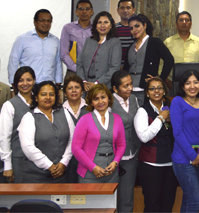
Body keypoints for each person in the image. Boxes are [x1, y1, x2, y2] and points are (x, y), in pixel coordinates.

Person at [134, 77, 177, 213]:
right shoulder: (143, 111)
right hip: (150, 165)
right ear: (147, 93)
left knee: (168, 203)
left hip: (170, 163)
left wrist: (172, 120)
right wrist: (160, 118)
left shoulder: (170, 108)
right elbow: (144, 137)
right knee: (153, 205)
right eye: (152, 89)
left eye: (159, 88)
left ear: (164, 91)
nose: (156, 91)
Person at [170, 70, 199, 213]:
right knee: (194, 202)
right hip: (183, 158)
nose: (192, 86)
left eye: (195, 82)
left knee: (188, 199)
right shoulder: (177, 102)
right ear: (182, 86)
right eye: (188, 83)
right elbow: (178, 132)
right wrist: (192, 156)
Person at [18, 81, 75, 183]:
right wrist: (49, 166)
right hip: (36, 178)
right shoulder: (29, 117)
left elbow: (73, 139)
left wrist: (63, 162)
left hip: (62, 175)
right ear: (36, 97)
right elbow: (28, 148)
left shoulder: (64, 112)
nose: (48, 97)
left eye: (51, 94)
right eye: (43, 94)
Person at [71, 84, 126, 184]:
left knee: (110, 200)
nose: (100, 102)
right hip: (89, 174)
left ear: (109, 99)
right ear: (91, 102)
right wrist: (93, 167)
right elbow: (75, 148)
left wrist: (115, 162)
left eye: (103, 97)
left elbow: (122, 144)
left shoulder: (117, 119)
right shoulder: (84, 120)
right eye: (96, 99)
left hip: (111, 174)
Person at [0, 66, 36, 183]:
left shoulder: (40, 101)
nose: (25, 83)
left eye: (28, 80)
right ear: (15, 83)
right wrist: (7, 165)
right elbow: (4, 137)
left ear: (34, 81)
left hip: (38, 160)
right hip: (18, 160)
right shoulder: (9, 105)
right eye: (20, 80)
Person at [124, 14, 174, 103]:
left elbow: (169, 60)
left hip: (147, 90)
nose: (134, 30)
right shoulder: (130, 47)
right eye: (131, 28)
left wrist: (160, 79)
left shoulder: (154, 42)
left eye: (137, 26)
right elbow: (126, 69)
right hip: (130, 91)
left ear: (145, 25)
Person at [111, 70, 141, 213]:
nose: (130, 88)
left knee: (127, 197)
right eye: (125, 86)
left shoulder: (134, 99)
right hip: (112, 157)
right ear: (115, 89)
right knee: (111, 197)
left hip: (131, 154)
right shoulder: (108, 102)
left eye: (131, 84)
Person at [8, 9, 62, 85]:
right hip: (28, 85)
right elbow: (13, 62)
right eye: (42, 20)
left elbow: (58, 63)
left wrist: (58, 83)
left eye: (48, 21)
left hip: (48, 85)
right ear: (35, 22)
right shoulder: (22, 39)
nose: (46, 23)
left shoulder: (55, 41)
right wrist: (13, 83)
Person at [76, 11, 122, 90]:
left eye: (106, 22)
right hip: (86, 86)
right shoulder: (89, 41)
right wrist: (83, 81)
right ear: (95, 25)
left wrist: (97, 83)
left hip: (104, 86)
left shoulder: (115, 42)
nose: (102, 25)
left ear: (111, 25)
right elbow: (80, 63)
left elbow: (115, 68)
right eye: (99, 22)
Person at [62, 76, 88, 182]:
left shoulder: (90, 108)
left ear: (82, 91)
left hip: (87, 158)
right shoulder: (59, 111)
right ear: (64, 93)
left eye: (77, 87)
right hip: (66, 159)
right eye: (70, 88)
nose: (74, 90)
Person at [60, 0, 93, 79]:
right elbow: (63, 53)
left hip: (92, 70)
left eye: (87, 9)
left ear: (91, 12)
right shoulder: (67, 28)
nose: (84, 11)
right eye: (81, 9)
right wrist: (75, 68)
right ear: (76, 12)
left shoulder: (96, 28)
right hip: (73, 70)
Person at [115, 0, 137, 66]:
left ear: (133, 10)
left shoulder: (138, 29)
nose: (125, 10)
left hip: (135, 67)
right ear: (118, 11)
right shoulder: (113, 29)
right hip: (117, 68)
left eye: (128, 8)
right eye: (122, 8)